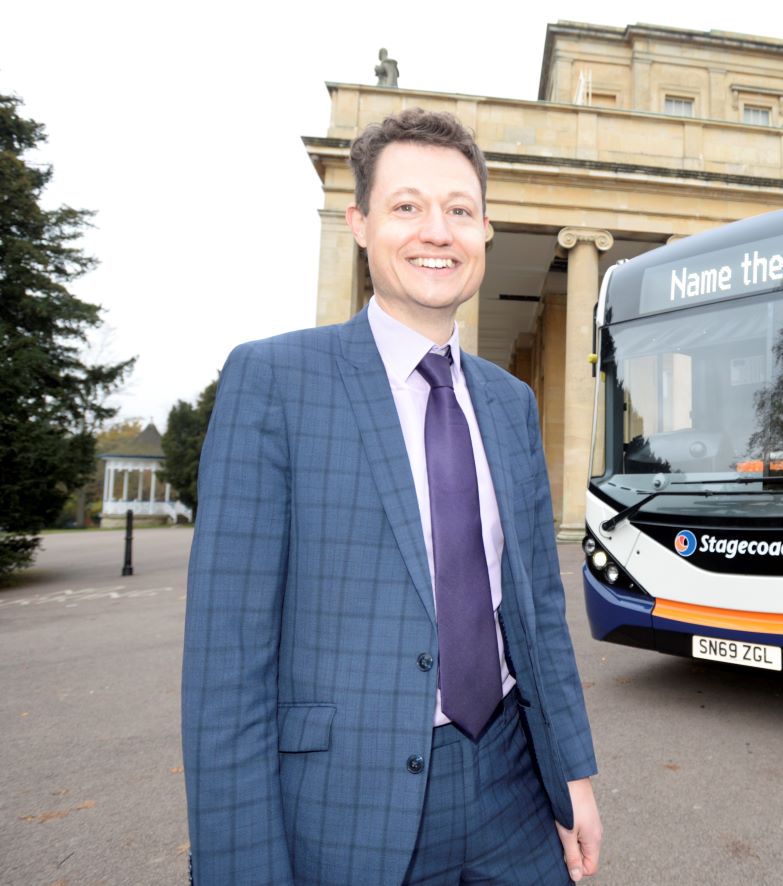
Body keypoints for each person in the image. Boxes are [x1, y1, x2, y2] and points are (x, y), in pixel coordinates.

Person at [182, 108, 601, 885]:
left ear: (484, 233)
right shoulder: (275, 383)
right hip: (347, 811)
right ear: (361, 224)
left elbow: (538, 611)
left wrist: (572, 773)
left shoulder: (510, 404)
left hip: (512, 785)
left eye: (460, 211)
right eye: (407, 206)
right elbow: (227, 663)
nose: (436, 231)